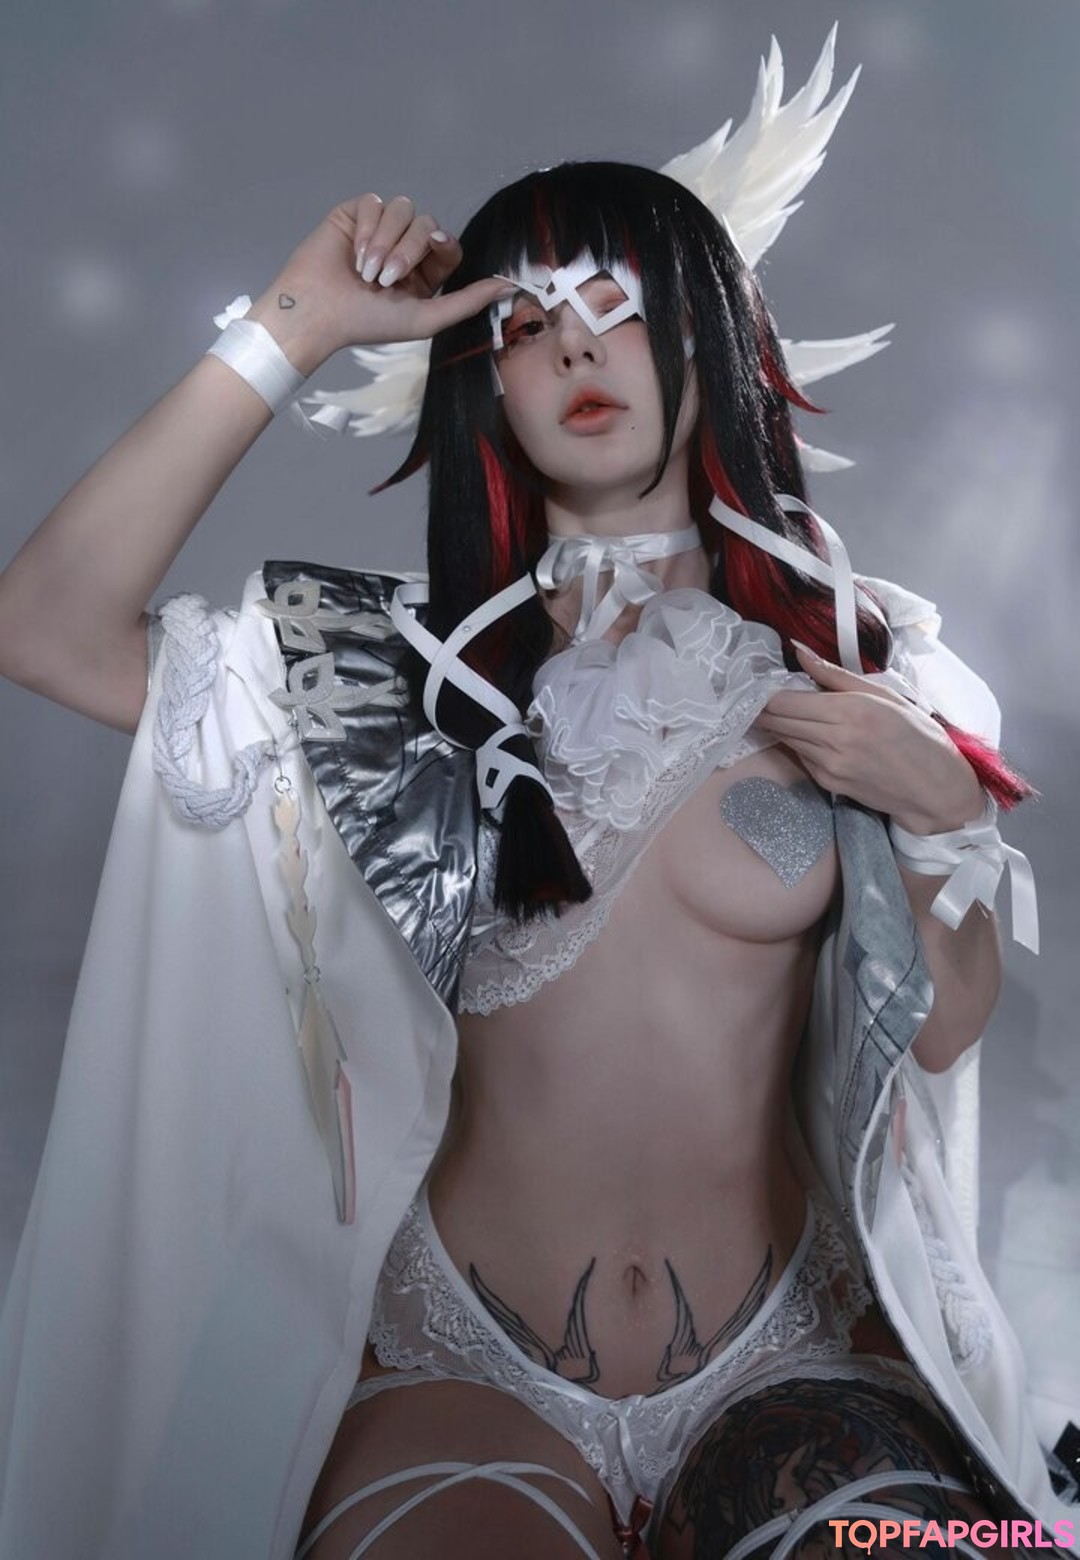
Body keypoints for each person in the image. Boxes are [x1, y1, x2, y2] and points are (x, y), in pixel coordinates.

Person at [0, 41, 1065, 1560]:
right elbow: (45, 625)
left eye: (620, 307)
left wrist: (942, 804)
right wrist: (297, 322)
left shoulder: (861, 659)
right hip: (461, 1372)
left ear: (711, 336)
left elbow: (944, 1031)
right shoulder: (378, 683)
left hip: (792, 1360)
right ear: (478, 376)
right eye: (525, 322)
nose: (577, 351)